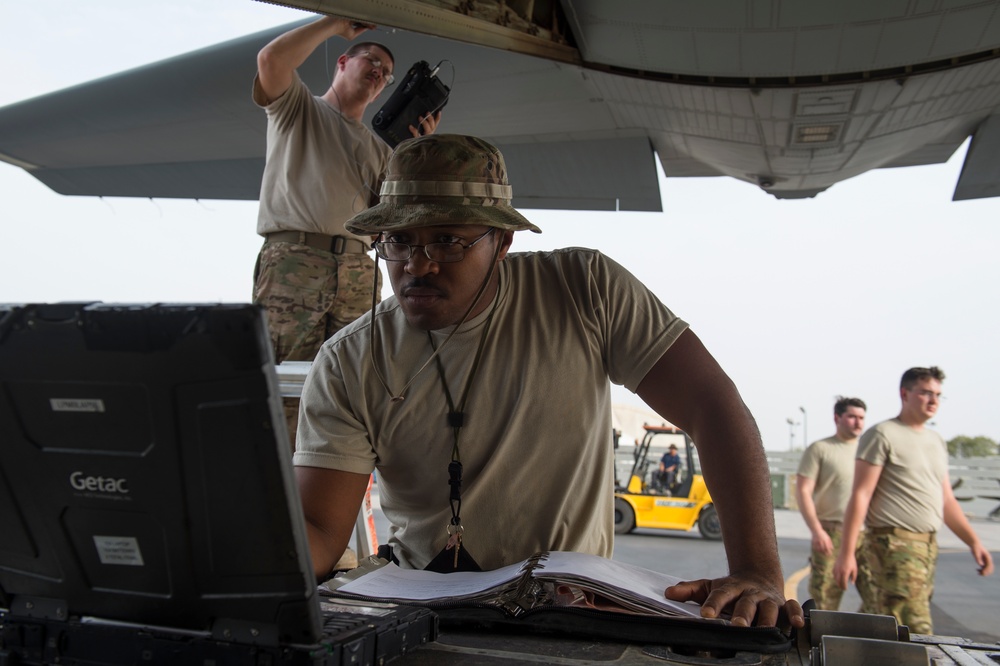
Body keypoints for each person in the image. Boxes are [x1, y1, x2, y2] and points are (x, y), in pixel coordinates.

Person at [293, 134, 805, 629]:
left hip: (571, 612)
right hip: (423, 612)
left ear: (502, 243)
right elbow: (319, 529)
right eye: (398, 241)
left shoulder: (584, 292)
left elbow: (710, 406)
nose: (417, 265)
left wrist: (757, 572)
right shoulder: (349, 359)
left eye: (447, 240)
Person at [252, 16, 441, 447]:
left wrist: (417, 152)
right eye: (371, 60)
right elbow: (272, 59)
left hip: (358, 267)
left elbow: (392, 218)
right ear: (342, 62)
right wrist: (335, 22)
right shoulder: (298, 108)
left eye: (387, 73)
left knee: (349, 383)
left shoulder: (379, 149)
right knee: (282, 382)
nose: (379, 73)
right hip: (298, 262)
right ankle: (278, 493)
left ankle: (327, 487)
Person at [833, 367, 994, 633]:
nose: (933, 401)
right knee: (915, 630)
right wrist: (847, 553)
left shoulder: (936, 441)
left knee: (884, 624)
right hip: (894, 548)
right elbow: (861, 495)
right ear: (905, 393)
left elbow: (946, 500)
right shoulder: (883, 434)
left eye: (938, 395)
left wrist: (973, 542)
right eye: (926, 393)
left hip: (927, 549)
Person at [795, 396, 867, 610]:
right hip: (831, 533)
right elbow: (803, 490)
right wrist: (817, 531)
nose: (858, 422)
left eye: (862, 417)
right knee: (824, 601)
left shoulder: (868, 451)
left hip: (868, 537)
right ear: (837, 418)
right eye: (852, 416)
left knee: (881, 600)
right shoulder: (821, 449)